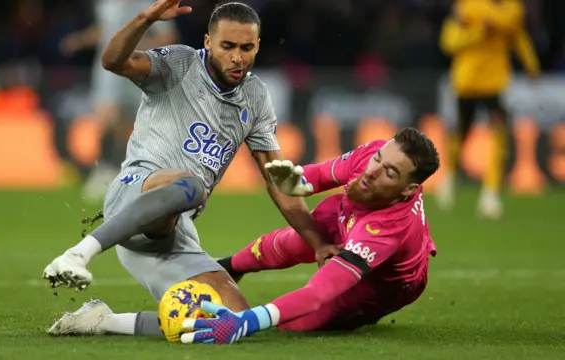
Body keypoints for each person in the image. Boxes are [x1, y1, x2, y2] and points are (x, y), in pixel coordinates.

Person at [42, 0, 338, 337]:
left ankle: (102, 321)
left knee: (233, 321)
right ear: (209, 42)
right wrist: (145, 19)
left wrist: (316, 243)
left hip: (174, 233)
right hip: (133, 193)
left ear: (257, 45)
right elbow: (112, 61)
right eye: (227, 46)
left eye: (246, 47)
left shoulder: (255, 97)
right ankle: (79, 253)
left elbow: (278, 180)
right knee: (192, 186)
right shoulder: (179, 64)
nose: (237, 57)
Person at [180, 128, 440, 344]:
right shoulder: (374, 155)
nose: (372, 170)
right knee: (292, 241)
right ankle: (228, 266)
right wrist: (297, 181)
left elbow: (319, 291)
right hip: (352, 213)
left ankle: (365, 313)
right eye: (378, 159)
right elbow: (321, 175)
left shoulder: (387, 230)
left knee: (295, 324)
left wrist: (247, 321)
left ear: (409, 189)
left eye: (390, 173)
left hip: (384, 285)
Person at [60, 0, 180, 201]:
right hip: (106, 73)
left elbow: (168, 36)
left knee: (130, 126)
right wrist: (80, 40)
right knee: (105, 118)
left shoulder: (148, 4)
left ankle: (128, 173)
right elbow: (106, 31)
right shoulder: (105, 4)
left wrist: (136, 50)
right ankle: (104, 171)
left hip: (134, 72)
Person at [437, 0, 540, 219]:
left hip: (496, 83)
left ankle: (490, 194)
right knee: (462, 135)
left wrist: (531, 63)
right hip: (468, 82)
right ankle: (449, 177)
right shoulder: (467, 7)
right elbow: (449, 41)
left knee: (499, 135)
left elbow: (518, 37)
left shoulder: (514, 9)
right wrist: (479, 33)